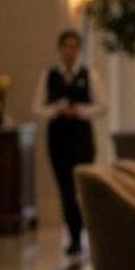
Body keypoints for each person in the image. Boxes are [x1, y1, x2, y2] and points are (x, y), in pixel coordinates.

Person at [33, 29, 107, 257]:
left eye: (74, 47)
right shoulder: (49, 75)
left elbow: (102, 106)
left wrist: (80, 111)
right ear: (60, 49)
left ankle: (91, 233)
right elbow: (37, 107)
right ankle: (74, 237)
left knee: (82, 187)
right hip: (58, 137)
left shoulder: (89, 75)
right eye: (66, 47)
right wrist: (56, 110)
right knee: (65, 190)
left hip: (81, 137)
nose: (70, 51)